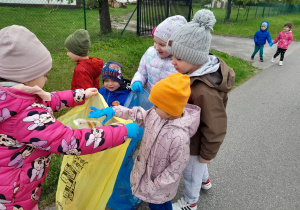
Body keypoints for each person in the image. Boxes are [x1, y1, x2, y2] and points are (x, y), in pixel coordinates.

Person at [0, 25, 139, 210]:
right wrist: (122, 131)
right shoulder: (27, 116)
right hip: (14, 196)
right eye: (44, 74)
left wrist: (79, 95)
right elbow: (72, 141)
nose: (47, 80)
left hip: (14, 183)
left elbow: (49, 100)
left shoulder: (12, 99)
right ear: (25, 78)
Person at [89, 73, 201, 210]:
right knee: (156, 205)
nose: (152, 108)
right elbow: (138, 115)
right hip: (146, 176)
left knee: (159, 205)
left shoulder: (179, 137)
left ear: (170, 110)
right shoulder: (156, 114)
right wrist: (115, 111)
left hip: (158, 187)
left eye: (156, 105)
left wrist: (156, 185)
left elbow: (177, 167)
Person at [165, 10, 235, 210]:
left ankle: (190, 202)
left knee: (191, 173)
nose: (172, 62)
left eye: (178, 58)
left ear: (193, 57)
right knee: (198, 170)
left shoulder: (204, 90)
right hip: (194, 137)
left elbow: (215, 126)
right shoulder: (194, 74)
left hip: (197, 144)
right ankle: (205, 181)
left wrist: (207, 154)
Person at [131, 15, 187, 94]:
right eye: (155, 42)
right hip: (149, 98)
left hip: (167, 102)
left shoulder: (181, 63)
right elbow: (141, 72)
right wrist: (138, 80)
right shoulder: (150, 53)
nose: (156, 47)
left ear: (176, 46)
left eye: (162, 45)